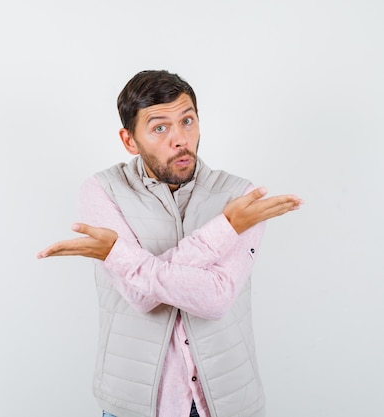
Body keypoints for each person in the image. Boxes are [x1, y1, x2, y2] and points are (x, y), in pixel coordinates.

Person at [37, 70, 302, 417]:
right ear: (129, 140)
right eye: (160, 127)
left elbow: (216, 297)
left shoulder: (240, 196)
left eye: (187, 120)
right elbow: (142, 297)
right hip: (134, 404)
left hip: (225, 402)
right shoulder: (102, 191)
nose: (180, 138)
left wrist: (118, 257)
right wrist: (226, 228)